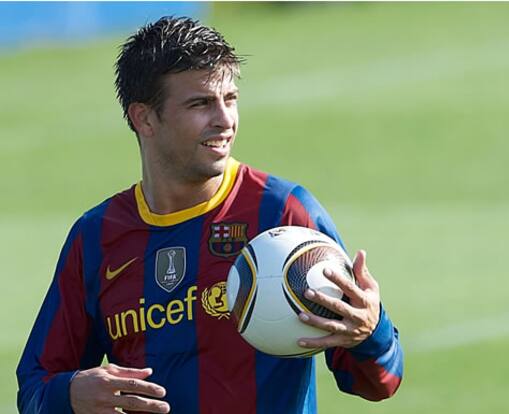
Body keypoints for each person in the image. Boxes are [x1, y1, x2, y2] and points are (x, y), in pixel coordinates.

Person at [17, 16, 403, 414]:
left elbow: (379, 381)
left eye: (230, 99)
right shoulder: (96, 237)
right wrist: (69, 395)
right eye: (200, 103)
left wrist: (369, 332)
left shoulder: (283, 214)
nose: (225, 120)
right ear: (144, 118)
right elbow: (33, 388)